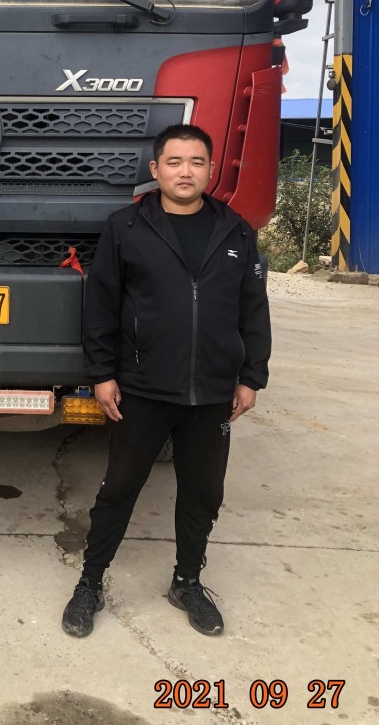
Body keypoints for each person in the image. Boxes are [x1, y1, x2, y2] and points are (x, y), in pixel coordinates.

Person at [62, 123, 270, 638]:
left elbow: (253, 310)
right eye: (174, 162)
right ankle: (90, 583)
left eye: (197, 162)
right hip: (144, 388)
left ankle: (187, 582)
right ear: (155, 170)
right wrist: (102, 374)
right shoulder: (126, 227)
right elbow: (101, 305)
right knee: (119, 489)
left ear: (211, 170)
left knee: (203, 492)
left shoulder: (237, 232)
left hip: (212, 393)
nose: (185, 171)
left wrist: (251, 376)